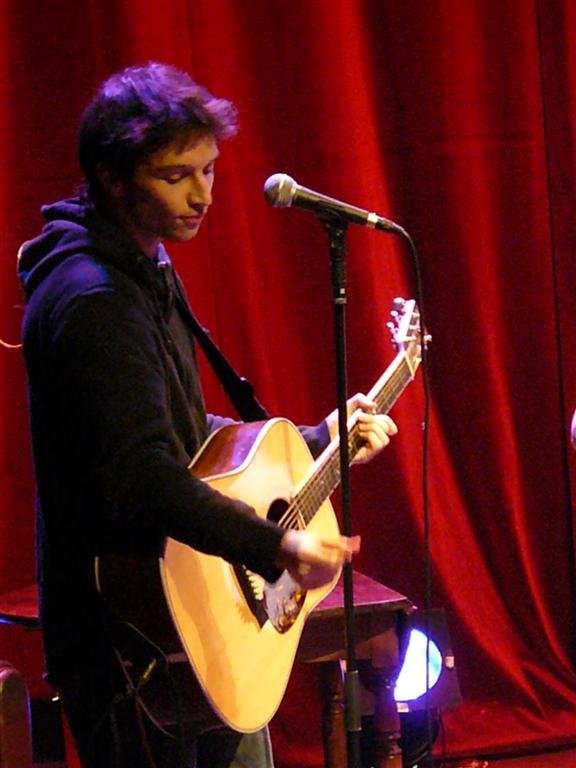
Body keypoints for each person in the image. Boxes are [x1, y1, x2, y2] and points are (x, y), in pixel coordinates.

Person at [17, 62, 398, 768]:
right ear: (111, 176)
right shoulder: (95, 298)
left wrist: (317, 440)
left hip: (194, 615)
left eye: (210, 170)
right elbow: (142, 474)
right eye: (175, 176)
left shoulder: (146, 265)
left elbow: (182, 432)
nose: (203, 195)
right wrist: (277, 547)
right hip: (131, 640)